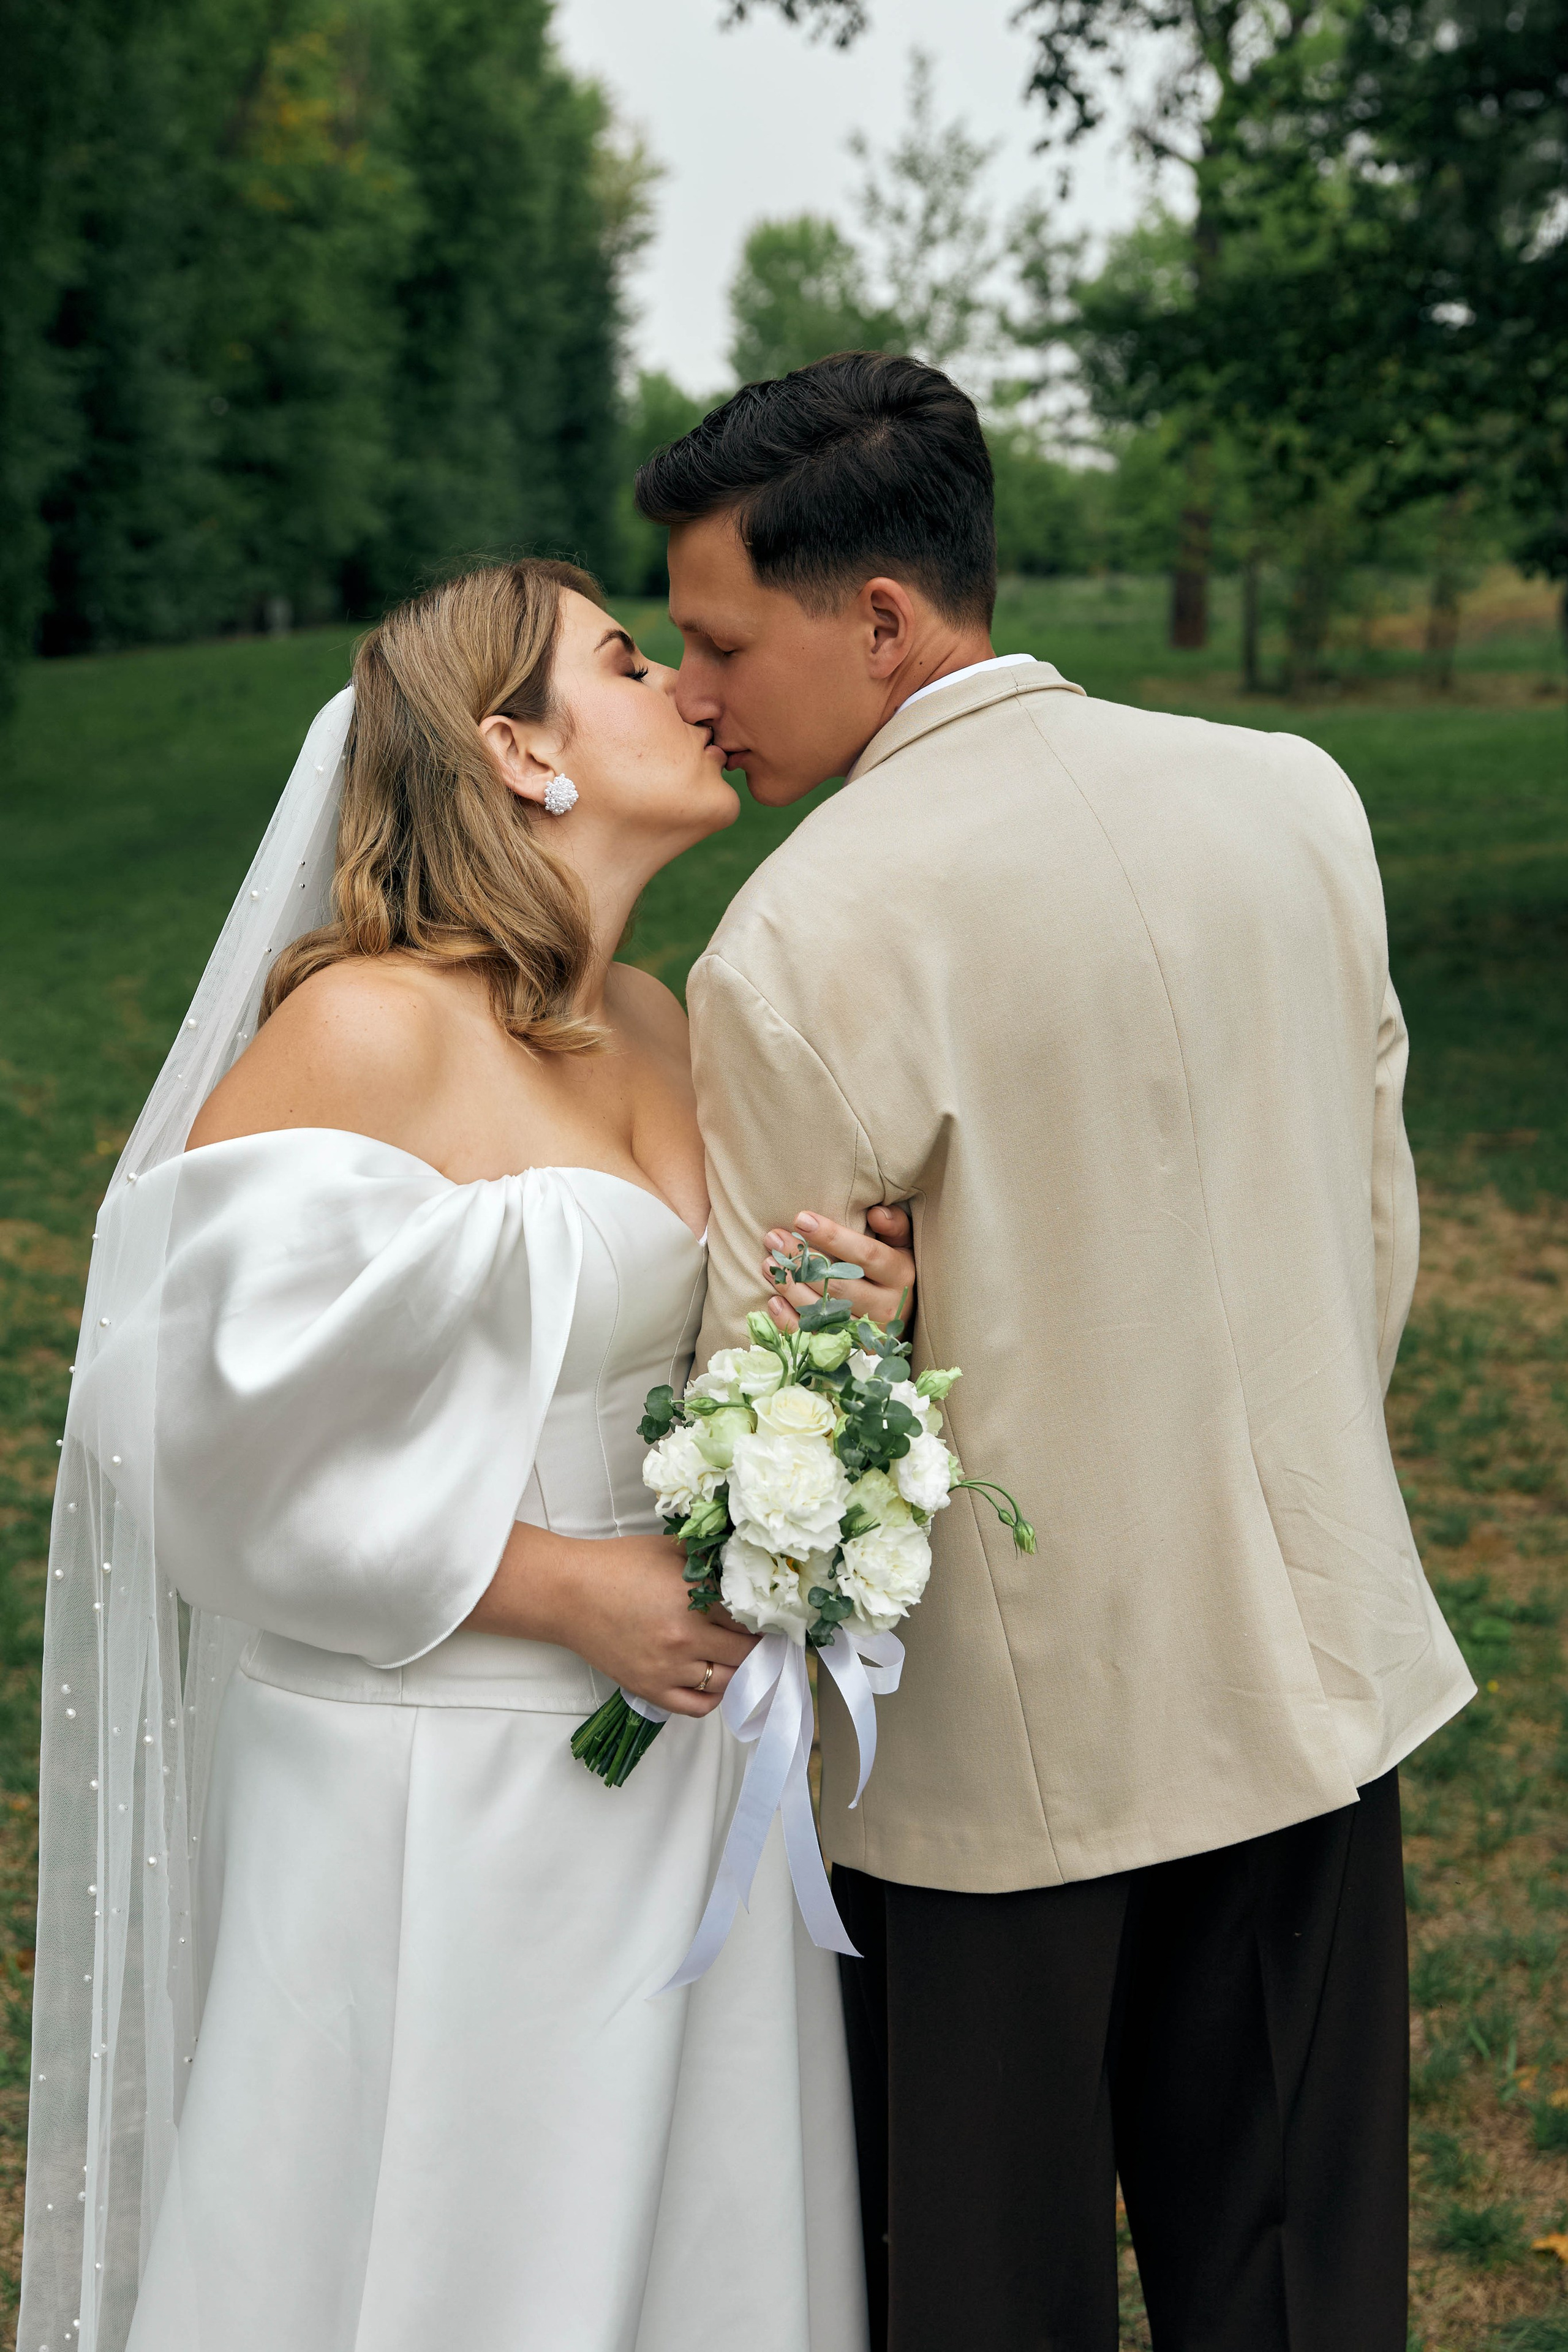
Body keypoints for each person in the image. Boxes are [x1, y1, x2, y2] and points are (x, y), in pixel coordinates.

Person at [635, 350, 1477, 2352]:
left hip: (990, 1789)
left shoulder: (799, 933)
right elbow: (1376, 1232)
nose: (693, 695)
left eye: (718, 642)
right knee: (1296, 2283)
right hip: (1309, 1680)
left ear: (884, 618)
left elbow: (773, 1409)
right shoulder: (1300, 799)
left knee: (987, 2293)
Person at [23, 559, 916, 2352]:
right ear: (519, 751)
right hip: (438, 1772)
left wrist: (846, 1324)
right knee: (445, 2245)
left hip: (677, 1773)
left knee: (686, 2241)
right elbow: (182, 1427)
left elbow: (705, 1346)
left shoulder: (663, 1020)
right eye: (625, 659)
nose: (685, 682)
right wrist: (562, 1588)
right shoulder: (368, 1025)